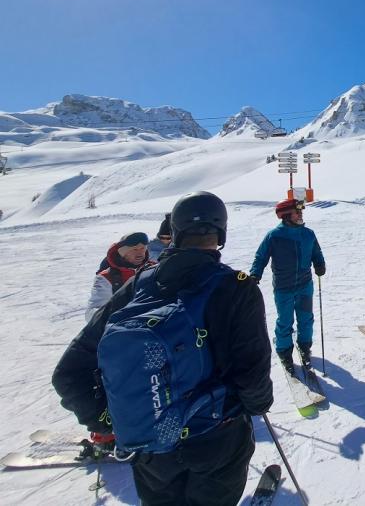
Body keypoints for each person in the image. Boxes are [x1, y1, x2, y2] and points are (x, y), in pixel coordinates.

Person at [53, 191, 273, 506]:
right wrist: (256, 406)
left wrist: (112, 418)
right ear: (220, 233)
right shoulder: (238, 287)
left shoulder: (140, 284)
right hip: (216, 437)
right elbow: (254, 381)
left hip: (151, 442)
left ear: (176, 232)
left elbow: (68, 372)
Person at [250, 196, 325, 374]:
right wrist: (255, 273)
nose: (300, 214)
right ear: (285, 215)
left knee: (306, 318)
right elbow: (261, 256)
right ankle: (284, 351)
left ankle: (305, 346)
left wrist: (320, 263)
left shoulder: (308, 233)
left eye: (300, 211)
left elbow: (316, 251)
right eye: (296, 212)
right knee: (285, 321)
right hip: (284, 287)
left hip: (305, 285)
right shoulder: (274, 236)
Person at [85, 232, 153, 321]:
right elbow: (92, 314)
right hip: (122, 328)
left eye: (142, 248)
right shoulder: (107, 278)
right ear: (123, 253)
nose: (140, 253)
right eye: (134, 249)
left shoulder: (154, 268)